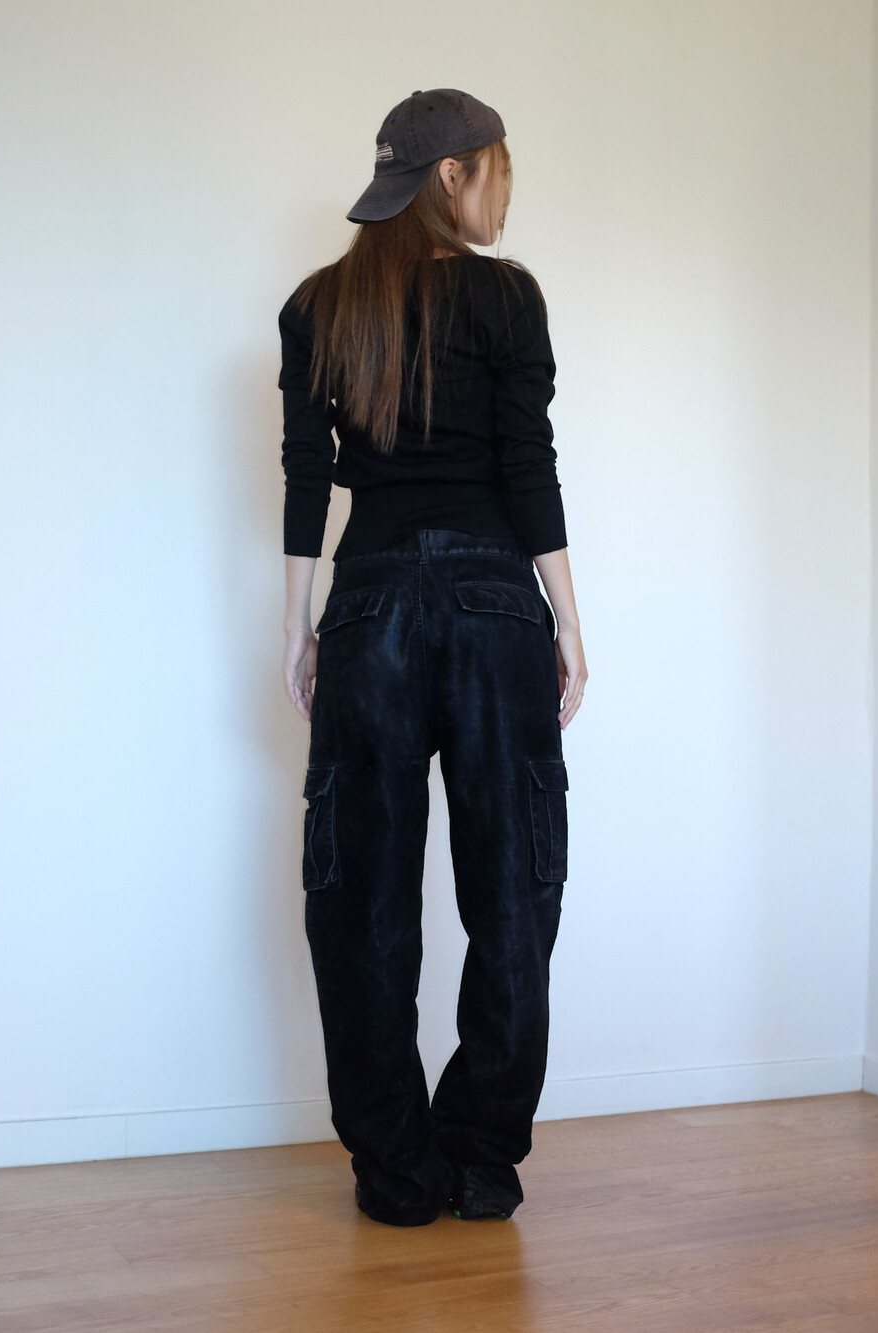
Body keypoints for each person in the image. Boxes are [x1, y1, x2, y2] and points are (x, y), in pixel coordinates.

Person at [278, 88, 586, 1228]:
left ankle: (396, 1171)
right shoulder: (507, 298)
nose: (505, 193)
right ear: (452, 174)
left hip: (366, 608)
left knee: (359, 895)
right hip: (496, 604)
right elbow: (527, 464)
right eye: (498, 169)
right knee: (514, 887)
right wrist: (567, 619)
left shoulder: (319, 304)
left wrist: (301, 628)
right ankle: (481, 1157)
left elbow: (307, 475)